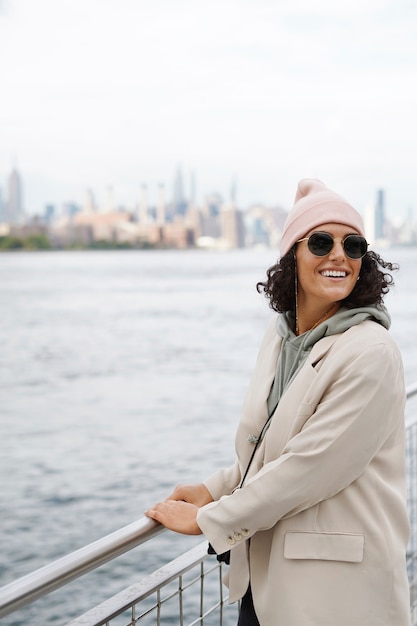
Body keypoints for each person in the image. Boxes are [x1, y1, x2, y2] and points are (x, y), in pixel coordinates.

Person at [145, 179, 411, 626]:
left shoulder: (372, 352)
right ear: (293, 256)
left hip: (337, 595)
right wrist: (216, 486)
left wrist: (208, 518)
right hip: (266, 584)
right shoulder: (282, 337)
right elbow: (269, 444)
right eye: (322, 242)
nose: (339, 255)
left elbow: (307, 467)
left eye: (354, 244)